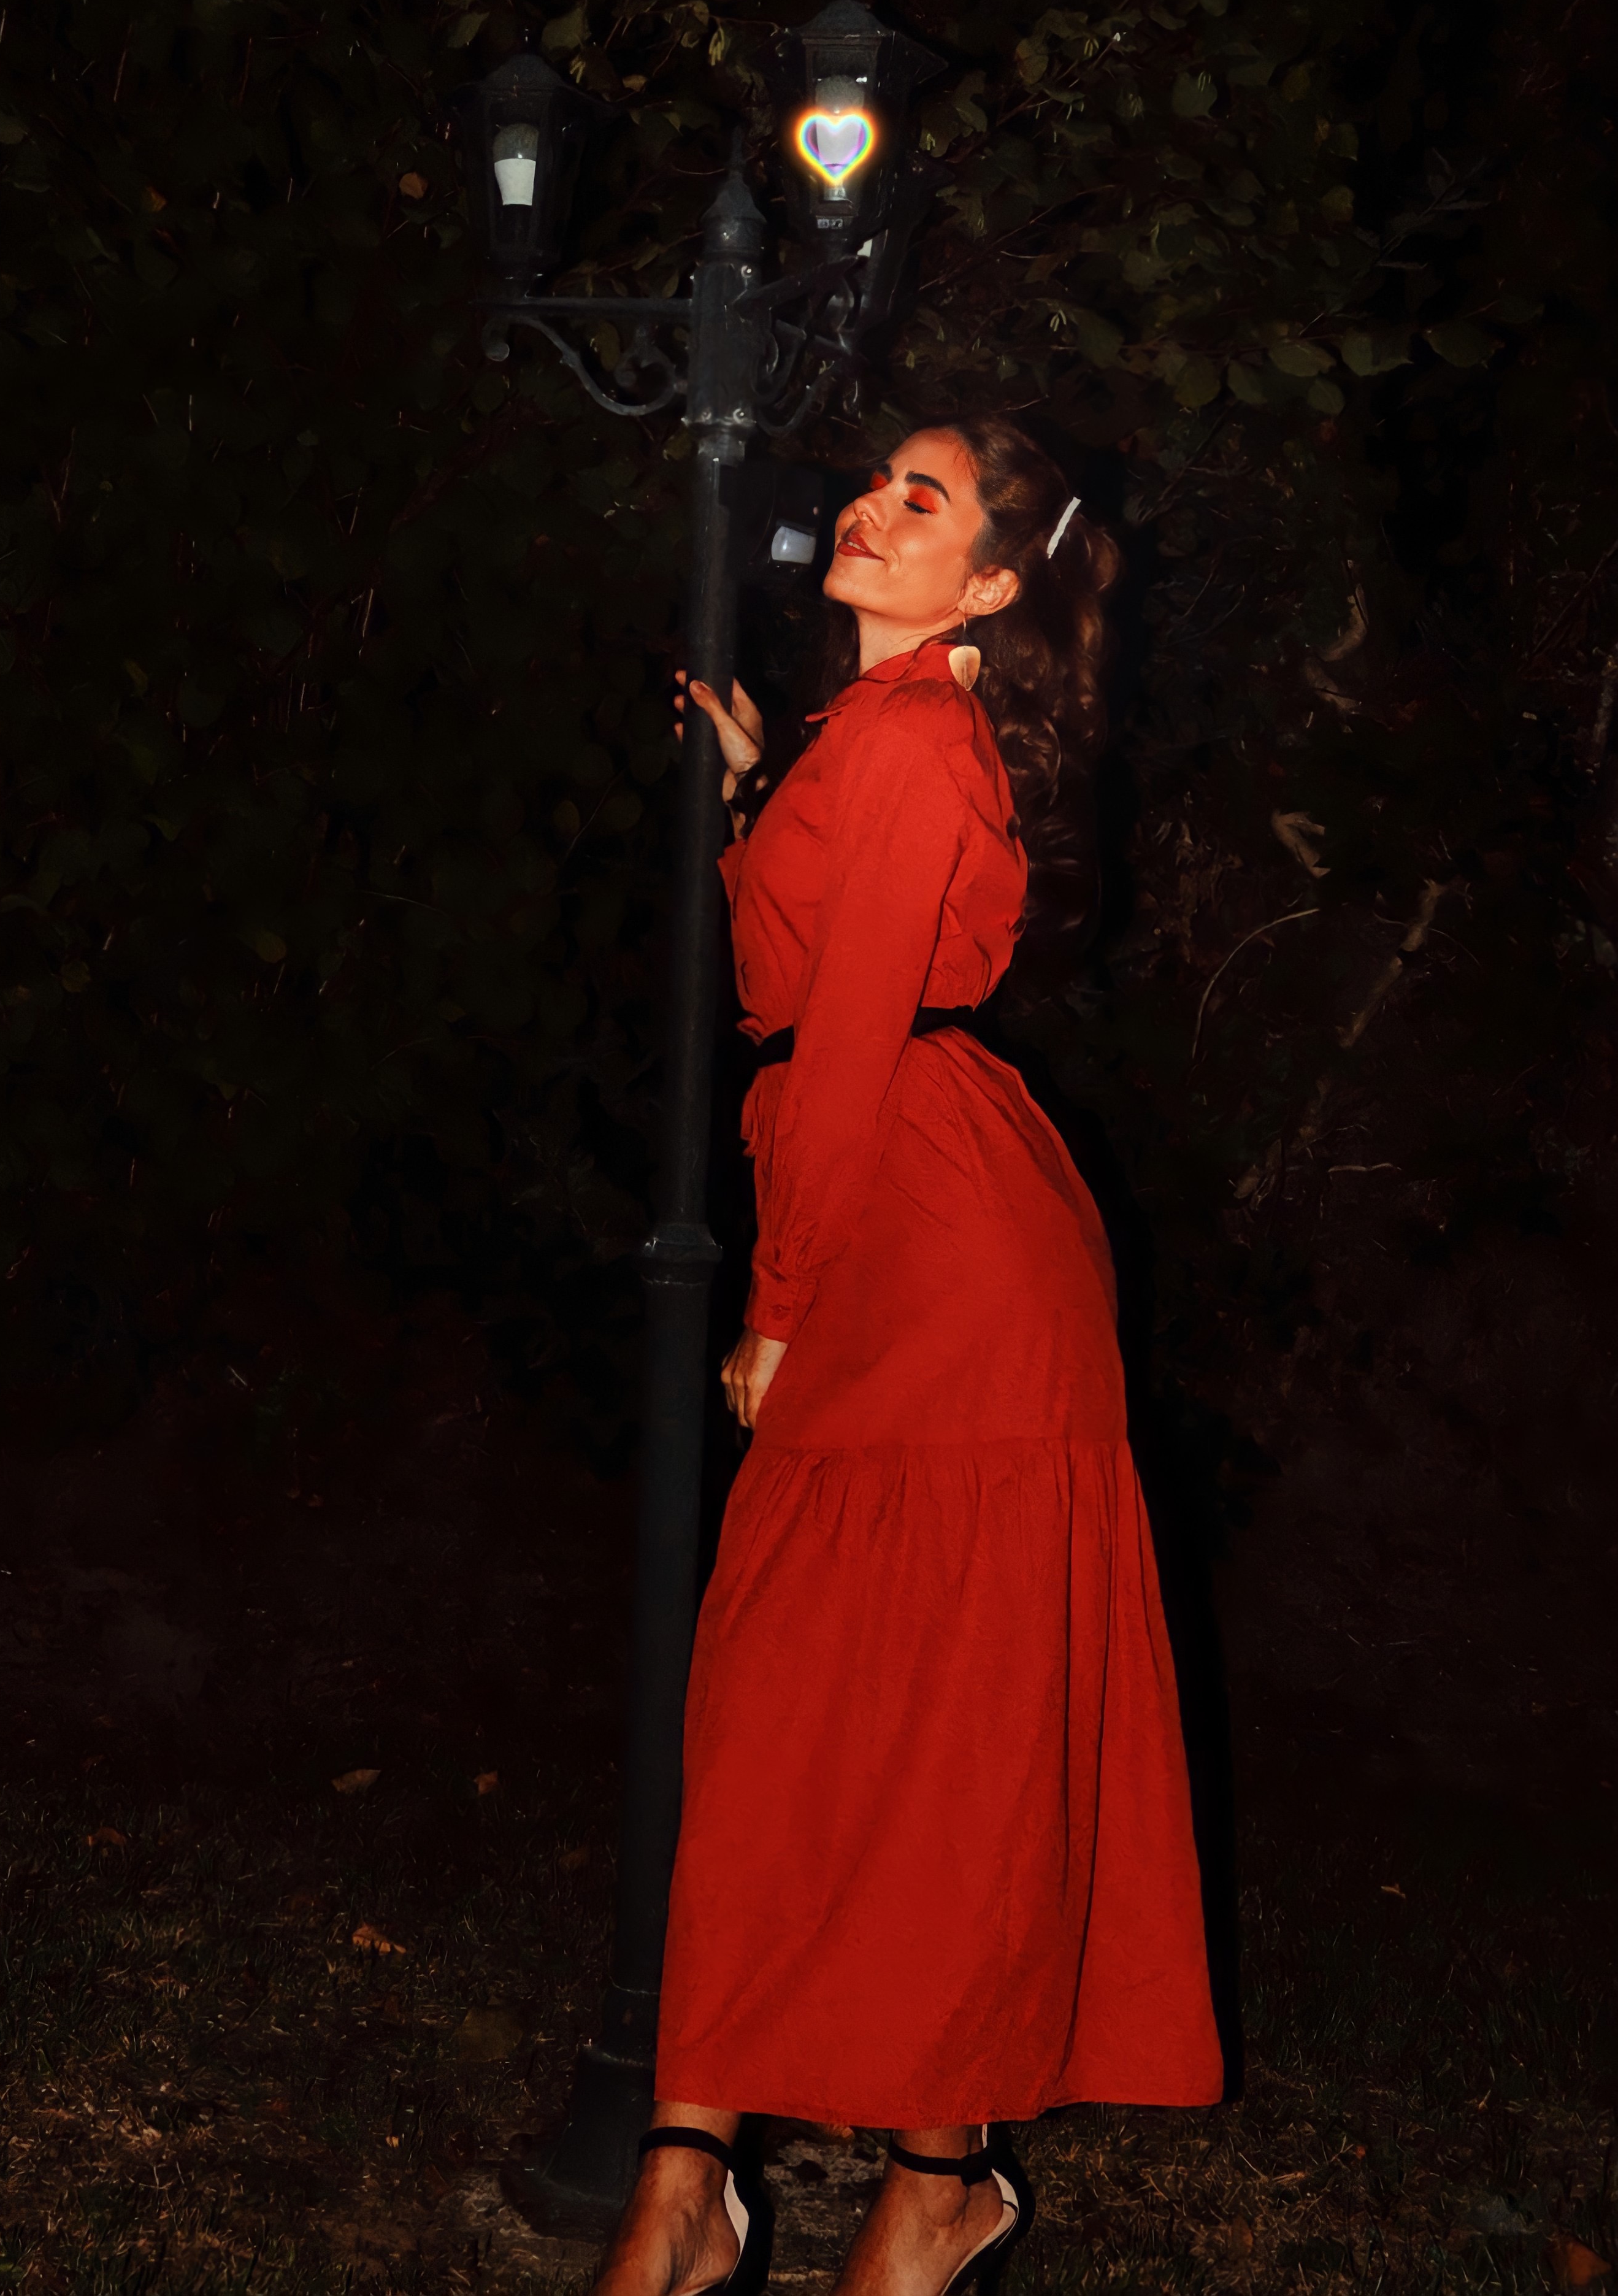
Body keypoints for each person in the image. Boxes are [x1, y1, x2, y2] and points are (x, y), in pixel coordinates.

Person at [592, 417, 1223, 2296]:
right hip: (894, 1200)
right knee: (786, 1708)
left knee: (941, 1728)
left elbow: (851, 1041)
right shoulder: (867, 736)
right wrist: (753, 791)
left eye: (921, 501)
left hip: (931, 1257)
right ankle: (687, 2177)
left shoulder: (917, 746)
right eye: (877, 481)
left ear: (993, 583)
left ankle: (924, 2183)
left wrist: (778, 1309)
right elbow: (820, 967)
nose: (869, 508)